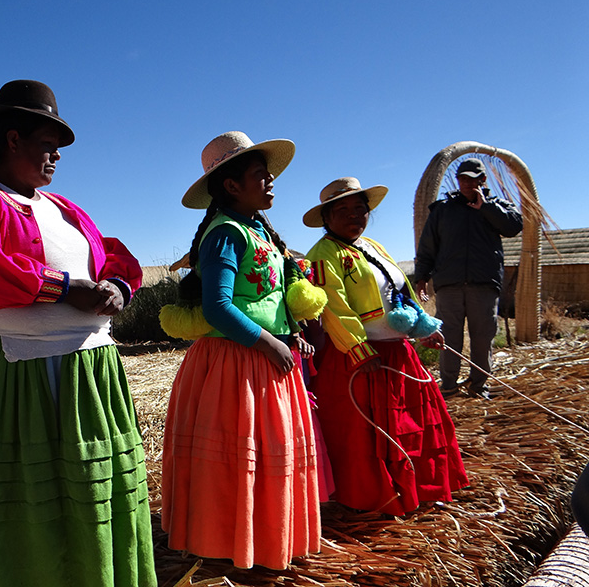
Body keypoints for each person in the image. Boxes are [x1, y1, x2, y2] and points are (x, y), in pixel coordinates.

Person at [0, 80, 157, 587]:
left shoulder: (65, 209)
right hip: (15, 371)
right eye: (48, 146)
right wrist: (66, 288)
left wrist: (115, 286)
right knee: (25, 490)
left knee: (87, 487)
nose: (56, 158)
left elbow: (112, 254)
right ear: (12, 139)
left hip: (88, 371)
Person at [160, 131, 325, 570]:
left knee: (263, 453)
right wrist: (268, 342)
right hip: (234, 365)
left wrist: (287, 335)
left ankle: (260, 538)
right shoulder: (226, 234)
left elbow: (267, 300)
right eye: (259, 175)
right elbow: (217, 307)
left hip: (262, 359)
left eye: (269, 175)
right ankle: (224, 542)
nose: (271, 182)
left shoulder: (258, 231)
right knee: (238, 455)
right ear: (231, 185)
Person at [302, 177, 468, 516]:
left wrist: (425, 328)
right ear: (326, 218)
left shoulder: (373, 246)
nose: (354, 216)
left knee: (413, 423)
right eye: (343, 209)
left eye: (360, 208)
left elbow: (402, 290)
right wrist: (359, 350)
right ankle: (377, 498)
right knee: (369, 433)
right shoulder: (323, 255)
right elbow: (333, 307)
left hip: (397, 353)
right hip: (360, 359)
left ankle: (419, 489)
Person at [414, 157, 523, 399]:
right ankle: (449, 386)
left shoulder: (496, 206)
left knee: (483, 337)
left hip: (483, 284)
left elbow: (514, 227)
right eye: (463, 179)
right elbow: (428, 246)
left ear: (482, 180)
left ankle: (478, 385)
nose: (467, 184)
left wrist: (484, 207)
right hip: (449, 284)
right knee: (449, 336)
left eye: (472, 179)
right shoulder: (443, 210)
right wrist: (421, 277)